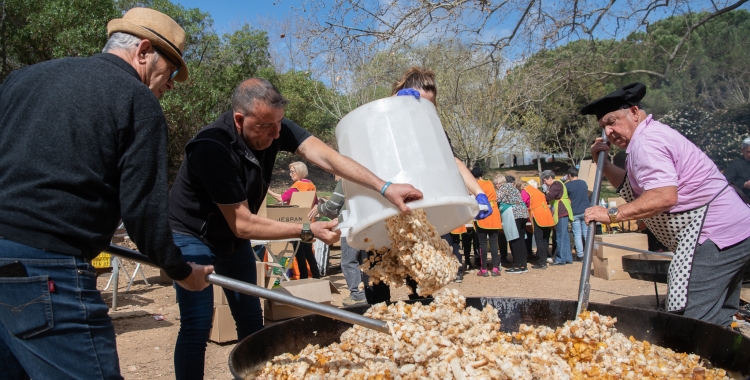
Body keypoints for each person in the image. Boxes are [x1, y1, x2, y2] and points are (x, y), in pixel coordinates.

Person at [0, 8, 213, 380]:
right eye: (172, 70)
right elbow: (143, 212)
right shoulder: (136, 100)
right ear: (144, 51)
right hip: (48, 269)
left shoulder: (22, 79)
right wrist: (181, 272)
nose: (173, 83)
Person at [168, 78, 423, 379]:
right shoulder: (211, 147)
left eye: (280, 123)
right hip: (193, 235)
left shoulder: (275, 126)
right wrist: (308, 229)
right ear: (240, 120)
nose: (278, 134)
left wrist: (384, 187)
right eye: (267, 126)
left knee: (251, 321)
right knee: (197, 323)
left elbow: (328, 157)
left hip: (233, 241)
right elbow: (242, 224)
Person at [582, 82, 750, 328]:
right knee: (719, 319)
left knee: (693, 323)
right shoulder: (647, 138)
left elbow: (663, 196)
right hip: (735, 232)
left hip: (714, 236)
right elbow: (633, 189)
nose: (608, 131)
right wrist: (604, 164)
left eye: (612, 121)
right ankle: (726, 363)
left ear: (635, 112)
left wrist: (611, 214)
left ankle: (698, 364)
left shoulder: (646, 143)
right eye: (603, 127)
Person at [308, 176, 368, 305]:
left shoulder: (346, 179)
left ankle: (357, 295)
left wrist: (319, 209)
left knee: (348, 261)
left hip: (349, 225)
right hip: (365, 223)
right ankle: (368, 292)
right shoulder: (363, 178)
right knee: (363, 260)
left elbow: (334, 202)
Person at [270, 161, 320, 279]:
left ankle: (303, 277)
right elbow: (316, 203)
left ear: (299, 172)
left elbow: (281, 198)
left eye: (292, 171)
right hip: (308, 223)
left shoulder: (297, 186)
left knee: (298, 251)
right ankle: (316, 276)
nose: (290, 174)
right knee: (308, 251)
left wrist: (268, 191)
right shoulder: (311, 184)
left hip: (297, 223)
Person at [495, 175, 530, 273]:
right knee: (521, 239)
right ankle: (523, 265)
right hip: (523, 213)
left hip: (513, 213)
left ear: (500, 183)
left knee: (514, 239)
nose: (497, 186)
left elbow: (496, 199)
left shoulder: (504, 188)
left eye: (497, 184)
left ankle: (516, 266)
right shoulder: (513, 188)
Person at [472, 167, 503, 277]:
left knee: (483, 244)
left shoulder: (474, 185)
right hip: (494, 213)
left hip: (483, 213)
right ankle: (495, 268)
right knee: (494, 243)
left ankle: (484, 268)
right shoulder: (489, 182)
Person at [542, 170, 573, 265]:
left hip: (561, 211)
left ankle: (560, 259)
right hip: (562, 210)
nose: (544, 183)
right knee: (564, 236)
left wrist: (542, 196)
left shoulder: (556, 184)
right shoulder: (558, 183)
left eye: (545, 180)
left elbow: (550, 197)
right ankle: (567, 257)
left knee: (560, 236)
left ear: (550, 178)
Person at [523, 180, 555, 269]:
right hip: (546, 215)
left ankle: (541, 262)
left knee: (539, 239)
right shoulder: (540, 193)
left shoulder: (527, 191)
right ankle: (543, 259)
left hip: (538, 216)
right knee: (545, 239)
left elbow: (523, 202)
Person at [565, 167, 590, 261]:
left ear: (569, 175)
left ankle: (580, 255)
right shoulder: (583, 183)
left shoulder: (567, 185)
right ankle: (589, 253)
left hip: (574, 211)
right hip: (585, 210)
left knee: (577, 234)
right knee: (586, 233)